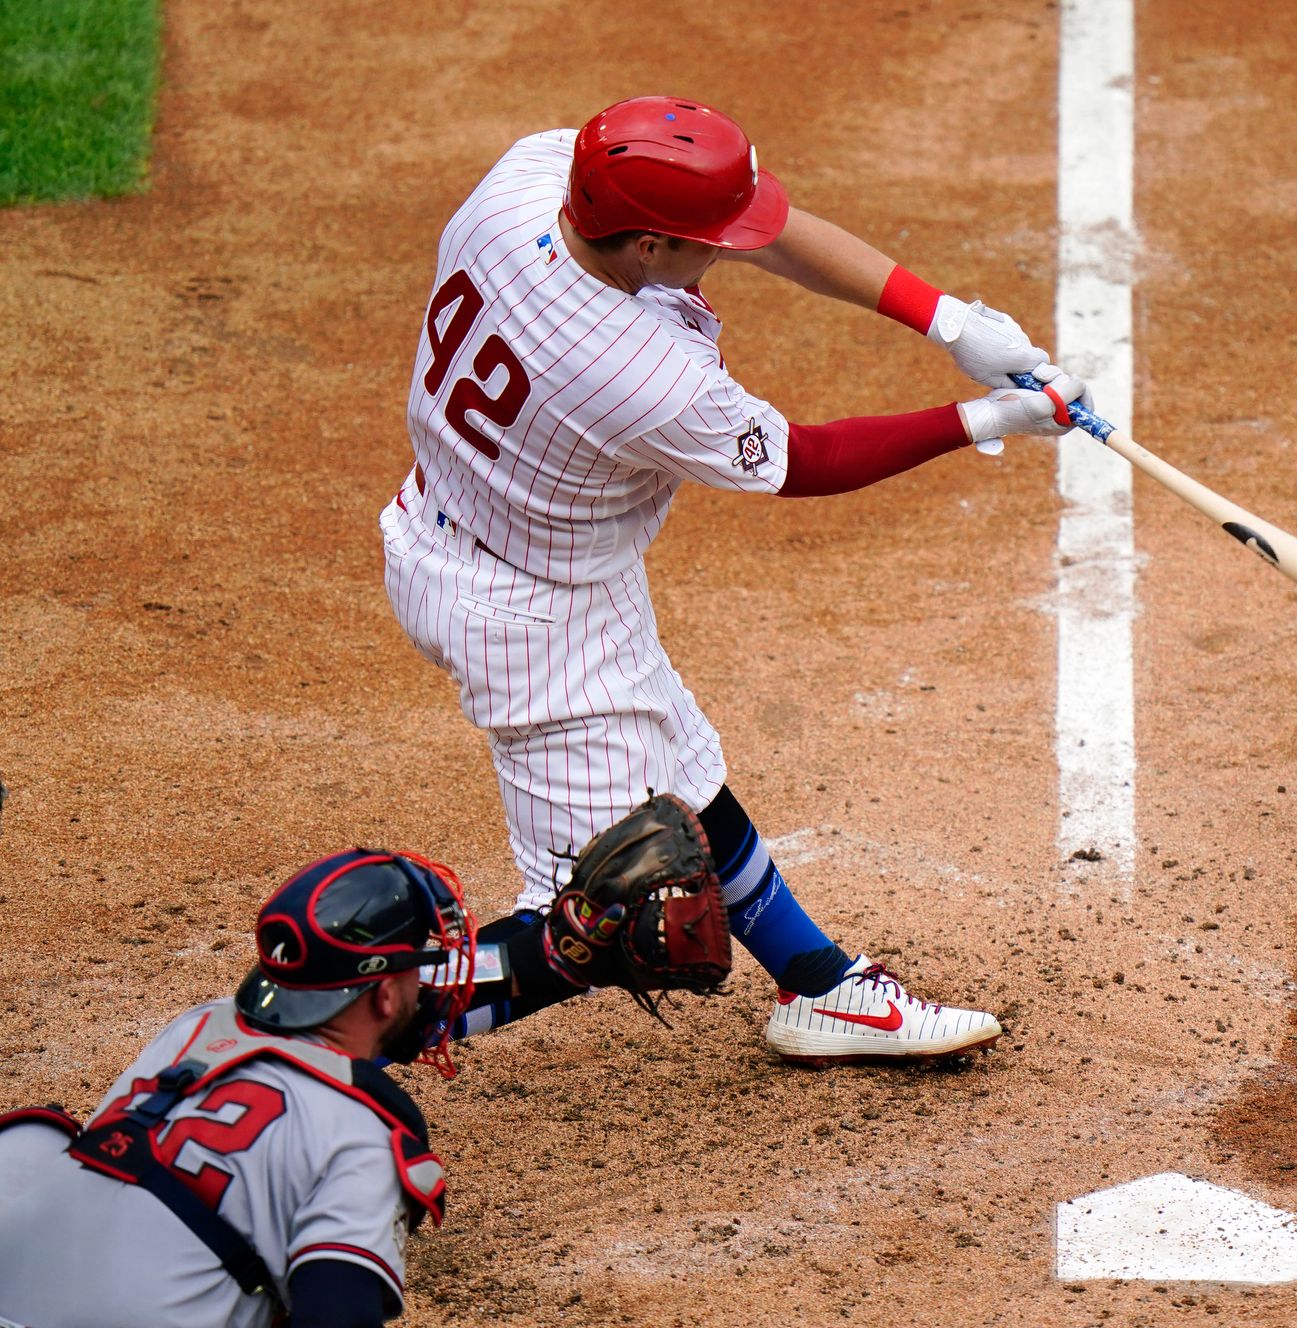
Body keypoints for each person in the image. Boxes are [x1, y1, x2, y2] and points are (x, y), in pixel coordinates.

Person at [379, 95, 1089, 1063]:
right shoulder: (635, 370)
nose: (728, 250)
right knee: (603, 921)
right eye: (702, 243)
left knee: (682, 775)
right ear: (645, 247)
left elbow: (766, 226)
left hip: (489, 535)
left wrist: (950, 319)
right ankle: (323, 1045)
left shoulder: (535, 181)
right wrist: (986, 420)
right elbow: (805, 461)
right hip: (526, 616)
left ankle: (823, 986)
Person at [0, 850, 476, 1328]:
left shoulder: (196, 1027)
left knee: (39, 1141)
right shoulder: (361, 1141)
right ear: (388, 995)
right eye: (419, 965)